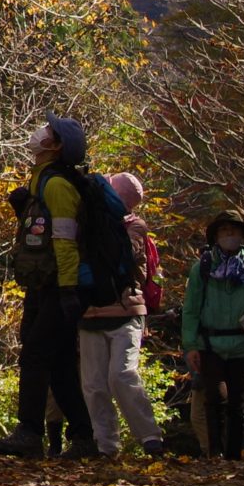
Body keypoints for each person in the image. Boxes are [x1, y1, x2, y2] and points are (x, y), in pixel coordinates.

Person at [0, 117, 94, 459]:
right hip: (45, 283)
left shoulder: (57, 185)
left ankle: (29, 433)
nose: (40, 134)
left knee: (34, 353)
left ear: (57, 146)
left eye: (49, 132)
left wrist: (67, 291)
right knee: (58, 362)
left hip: (60, 285)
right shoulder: (40, 180)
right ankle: (84, 438)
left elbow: (63, 240)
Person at [76, 171, 168, 458]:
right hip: (91, 312)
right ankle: (106, 446)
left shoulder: (134, 226)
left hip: (127, 311)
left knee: (122, 374)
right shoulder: (86, 220)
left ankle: (151, 439)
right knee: (93, 384)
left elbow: (124, 255)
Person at [180, 213, 244, 460]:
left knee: (238, 402)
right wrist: (190, 345)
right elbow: (191, 309)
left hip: (243, 344)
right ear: (215, 236)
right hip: (210, 343)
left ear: (241, 235)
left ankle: (234, 453)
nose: (229, 235)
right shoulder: (203, 268)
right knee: (214, 398)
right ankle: (215, 452)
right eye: (224, 231)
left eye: (233, 231)